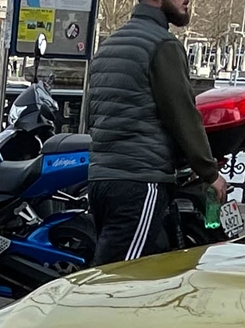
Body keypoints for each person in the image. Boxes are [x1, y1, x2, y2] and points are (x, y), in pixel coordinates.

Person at [83, 0, 219, 264]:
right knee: (119, 278)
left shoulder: (109, 45)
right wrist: (209, 173)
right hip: (140, 182)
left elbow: (91, 115)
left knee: (109, 271)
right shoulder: (162, 45)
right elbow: (183, 115)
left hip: (101, 180)